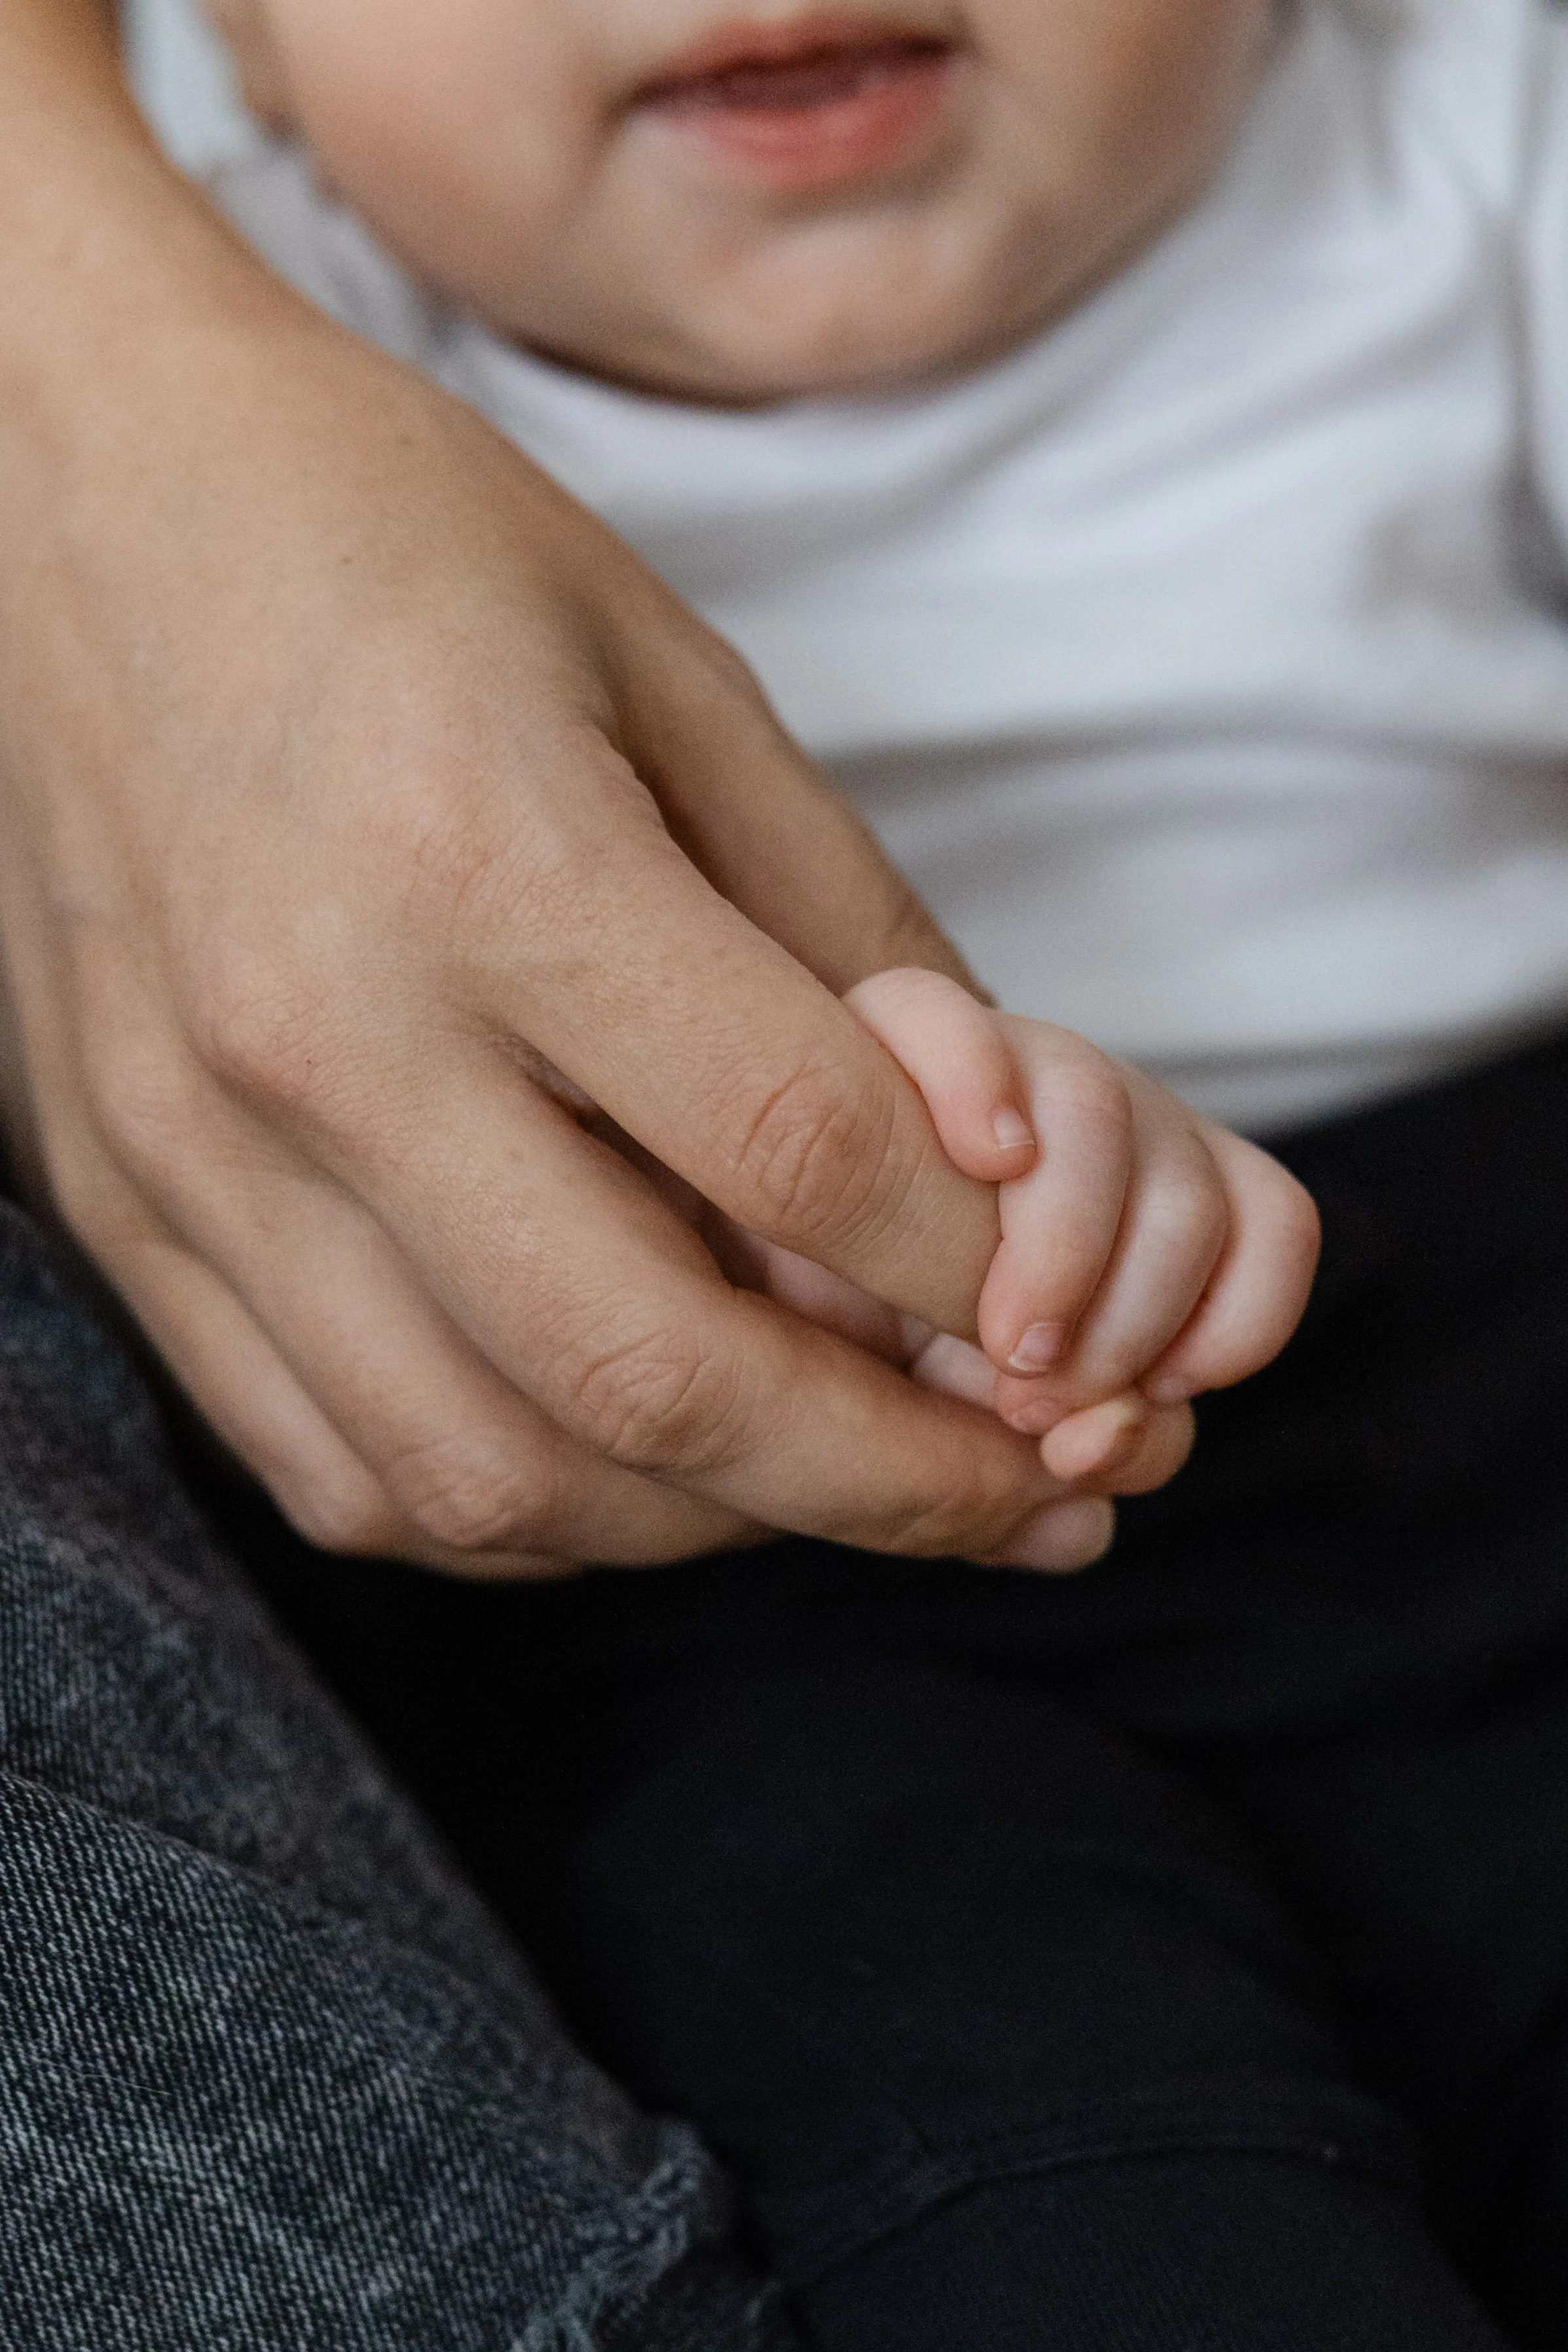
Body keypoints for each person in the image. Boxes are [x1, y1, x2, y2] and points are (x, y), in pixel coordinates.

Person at [4, 0, 1568, 2345]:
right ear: (231, 39)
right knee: (1073, 2208)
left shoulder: (1459, 144)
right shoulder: (211, 391)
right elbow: (157, 1076)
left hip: (1507, 1366)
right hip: (781, 1619)